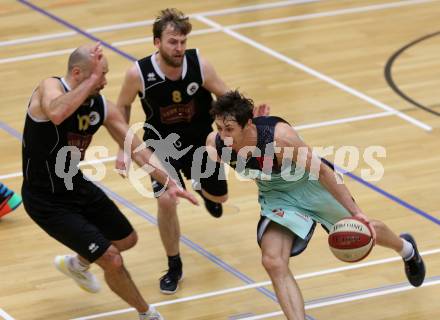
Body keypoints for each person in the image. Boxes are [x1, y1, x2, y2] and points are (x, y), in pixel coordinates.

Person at [206, 90, 426, 320]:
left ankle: (407, 250)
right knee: (272, 261)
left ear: (247, 124)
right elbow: (210, 159)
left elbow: (321, 171)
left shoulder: (281, 140)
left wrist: (357, 213)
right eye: (220, 128)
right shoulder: (218, 143)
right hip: (277, 196)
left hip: (312, 185)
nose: (224, 135)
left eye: (229, 129)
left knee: (364, 228)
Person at [21, 43, 198, 320]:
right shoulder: (49, 88)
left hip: (74, 185)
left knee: (126, 239)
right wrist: (90, 81)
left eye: (104, 75)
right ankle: (147, 314)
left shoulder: (100, 106)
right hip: (45, 199)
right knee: (112, 259)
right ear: (78, 73)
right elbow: (57, 113)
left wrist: (169, 182)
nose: (104, 81)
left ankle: (77, 264)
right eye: (99, 75)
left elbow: (136, 147)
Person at [115, 8, 268, 294]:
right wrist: (123, 147)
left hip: (201, 142)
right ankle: (174, 265)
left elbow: (226, 97)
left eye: (183, 41)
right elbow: (121, 106)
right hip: (160, 145)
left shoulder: (200, 65)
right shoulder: (138, 73)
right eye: (173, 41)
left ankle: (200, 185)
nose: (179, 47)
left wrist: (252, 119)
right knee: (166, 201)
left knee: (219, 197)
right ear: (157, 42)